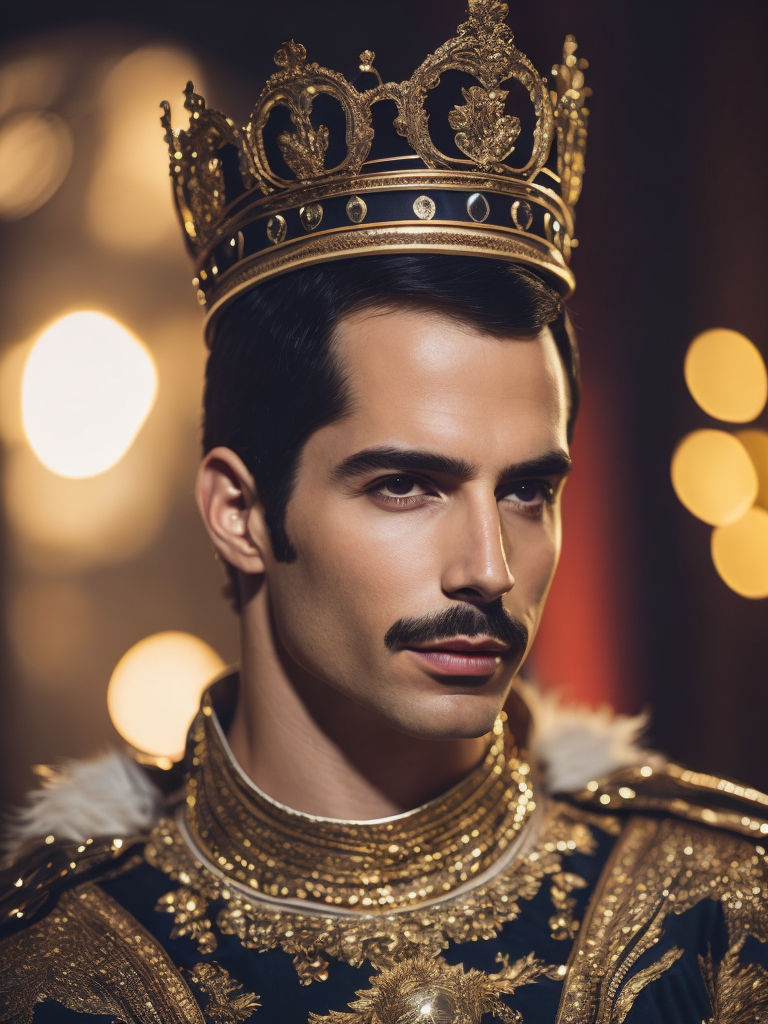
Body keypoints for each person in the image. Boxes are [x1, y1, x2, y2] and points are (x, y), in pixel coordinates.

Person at [2, 2, 768, 1021]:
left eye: (527, 490)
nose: (489, 567)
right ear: (239, 512)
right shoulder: (50, 967)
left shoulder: (720, 917)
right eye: (405, 486)